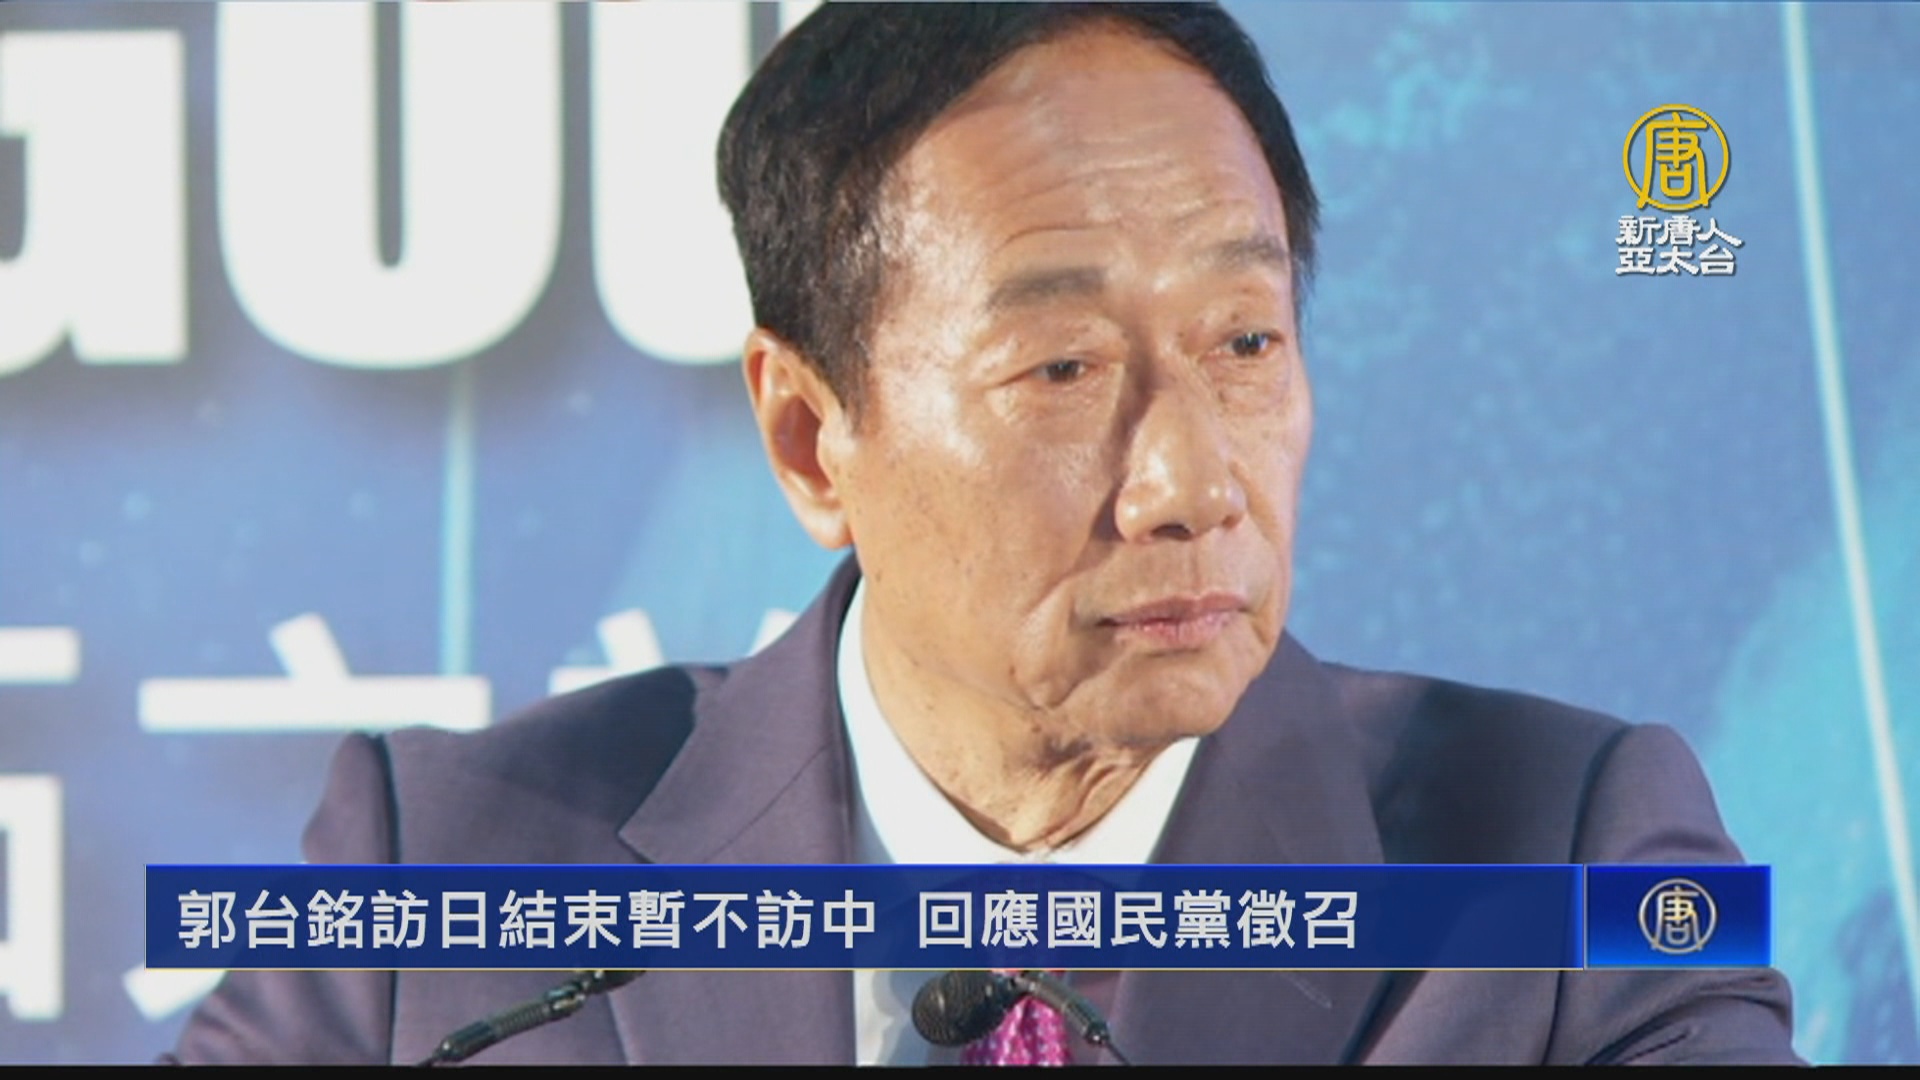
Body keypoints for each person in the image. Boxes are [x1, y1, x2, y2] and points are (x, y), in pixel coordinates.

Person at [169, 2, 1800, 1064]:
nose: (1190, 482)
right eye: (1063, 369)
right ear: (811, 437)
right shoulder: (441, 879)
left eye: (1245, 343)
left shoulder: (1566, 860)